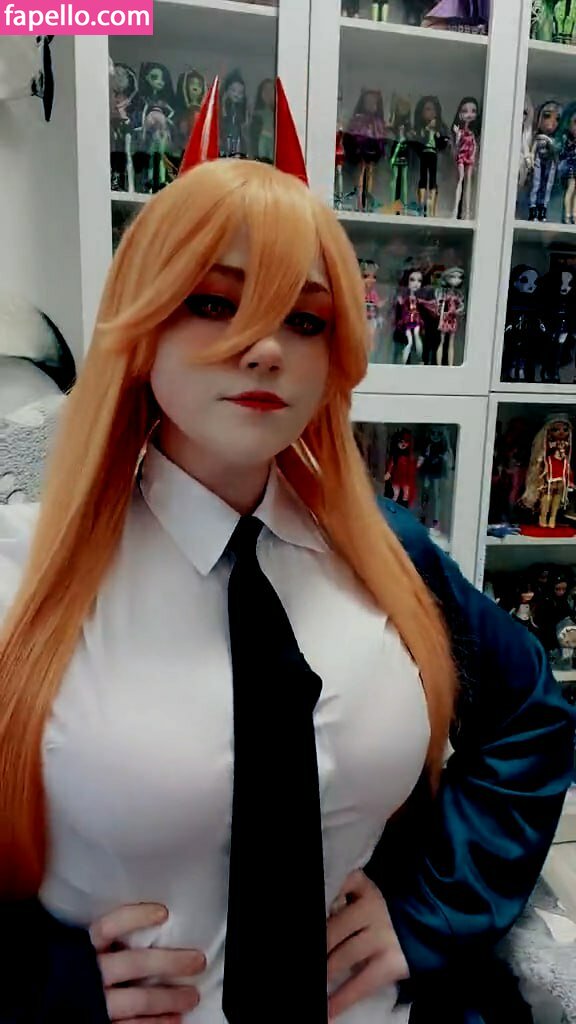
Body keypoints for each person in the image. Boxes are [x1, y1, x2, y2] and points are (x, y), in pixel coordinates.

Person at [0, 79, 573, 1024]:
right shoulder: (23, 578)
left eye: (304, 319)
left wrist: (433, 905)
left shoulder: (387, 555)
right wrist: (37, 977)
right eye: (214, 304)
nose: (264, 348)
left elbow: (532, 718)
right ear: (141, 327)